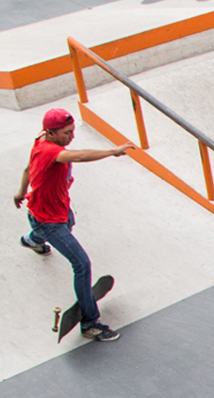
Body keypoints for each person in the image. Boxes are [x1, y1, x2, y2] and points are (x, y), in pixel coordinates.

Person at [14, 107, 132, 342]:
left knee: (70, 220)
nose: (72, 136)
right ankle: (90, 324)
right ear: (51, 132)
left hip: (56, 211)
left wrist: (20, 192)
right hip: (49, 221)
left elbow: (28, 169)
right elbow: (78, 156)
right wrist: (112, 151)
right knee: (82, 264)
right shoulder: (49, 150)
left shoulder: (39, 142)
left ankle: (32, 240)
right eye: (67, 132)